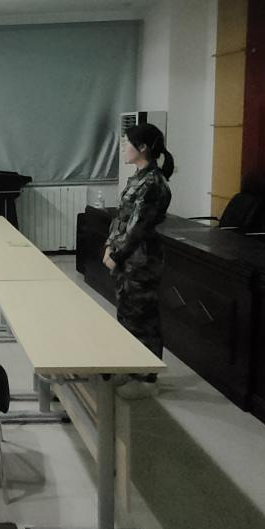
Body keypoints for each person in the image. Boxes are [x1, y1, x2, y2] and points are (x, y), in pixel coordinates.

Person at [102, 124, 174, 400]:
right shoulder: (138, 178)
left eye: (127, 143)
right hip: (126, 258)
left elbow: (138, 227)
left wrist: (117, 254)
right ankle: (131, 367)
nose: (124, 148)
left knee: (144, 318)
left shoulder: (154, 183)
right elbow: (121, 217)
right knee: (127, 314)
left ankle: (147, 378)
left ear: (142, 147)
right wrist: (109, 245)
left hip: (141, 260)